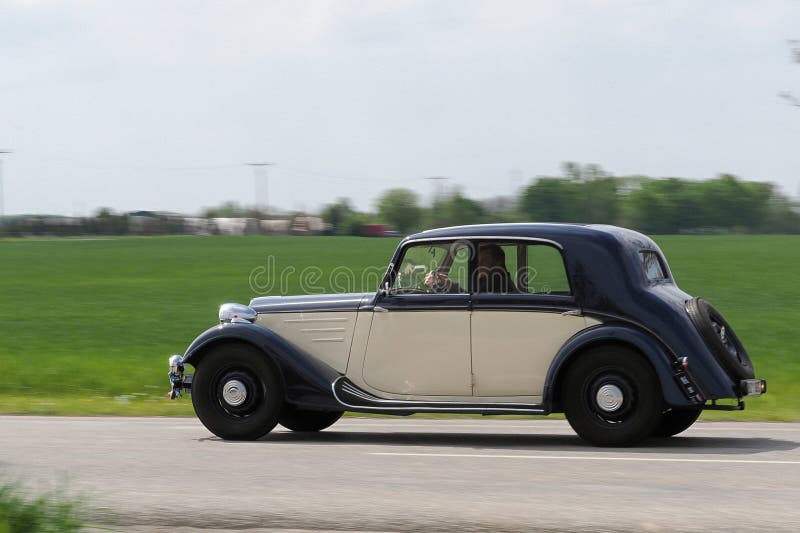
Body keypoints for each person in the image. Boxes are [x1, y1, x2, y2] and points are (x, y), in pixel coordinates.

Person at [424, 243, 516, 293]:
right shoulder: (494, 280)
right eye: (478, 262)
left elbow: (472, 300)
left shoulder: (496, 282)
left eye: (484, 261)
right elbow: (472, 296)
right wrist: (449, 285)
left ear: (498, 262)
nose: (479, 265)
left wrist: (447, 286)